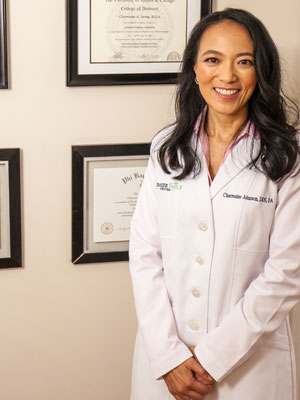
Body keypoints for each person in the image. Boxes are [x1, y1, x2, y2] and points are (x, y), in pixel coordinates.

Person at [129, 8, 300, 400]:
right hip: (164, 363)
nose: (227, 76)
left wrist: (211, 358)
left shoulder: (289, 155)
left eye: (244, 62)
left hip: (250, 368)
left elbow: (287, 271)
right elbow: (144, 255)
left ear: (262, 72)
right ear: (194, 69)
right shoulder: (166, 148)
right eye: (213, 60)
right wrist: (170, 356)